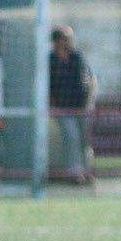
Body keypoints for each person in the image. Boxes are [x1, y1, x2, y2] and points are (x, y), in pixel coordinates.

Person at [47, 26, 95, 184]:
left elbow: (87, 81)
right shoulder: (50, 60)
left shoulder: (77, 57)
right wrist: (52, 105)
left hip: (81, 107)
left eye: (70, 38)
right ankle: (75, 173)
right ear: (57, 41)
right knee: (71, 136)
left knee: (84, 140)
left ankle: (87, 171)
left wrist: (86, 103)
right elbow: (48, 85)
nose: (69, 41)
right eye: (65, 38)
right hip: (62, 108)